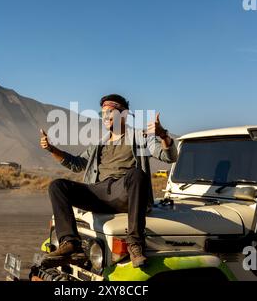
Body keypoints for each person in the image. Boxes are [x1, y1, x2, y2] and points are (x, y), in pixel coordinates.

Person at [40, 94, 178, 268]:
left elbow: (169, 156)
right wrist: (51, 149)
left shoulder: (140, 137)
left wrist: (163, 135)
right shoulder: (99, 144)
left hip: (125, 193)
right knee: (57, 186)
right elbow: (77, 164)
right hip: (98, 194)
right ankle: (71, 245)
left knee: (137, 173)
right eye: (102, 113)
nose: (105, 117)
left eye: (110, 112)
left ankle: (135, 243)